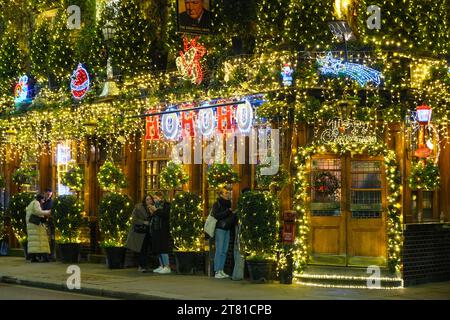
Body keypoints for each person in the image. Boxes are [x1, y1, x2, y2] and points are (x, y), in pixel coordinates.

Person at [211, 187, 236, 279]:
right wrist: (227, 212)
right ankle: (217, 271)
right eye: (226, 193)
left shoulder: (229, 203)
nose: (228, 194)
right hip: (220, 228)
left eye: (228, 192)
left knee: (224, 251)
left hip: (227, 228)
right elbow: (216, 215)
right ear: (221, 194)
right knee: (219, 250)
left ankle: (221, 270)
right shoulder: (217, 203)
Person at [126, 195, 152, 272]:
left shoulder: (152, 207)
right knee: (141, 249)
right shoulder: (138, 208)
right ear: (144, 200)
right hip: (140, 231)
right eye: (147, 199)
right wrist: (143, 222)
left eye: (150, 199)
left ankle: (145, 265)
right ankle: (141, 266)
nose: (149, 201)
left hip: (148, 231)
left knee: (146, 249)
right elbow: (133, 219)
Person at [150, 192, 171, 274]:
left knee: (163, 248)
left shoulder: (166, 205)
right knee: (157, 248)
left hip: (163, 229)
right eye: (154, 198)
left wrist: (156, 210)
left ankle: (167, 266)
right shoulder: (155, 206)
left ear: (161, 197)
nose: (155, 200)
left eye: (156, 198)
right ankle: (161, 265)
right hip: (155, 229)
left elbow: (165, 215)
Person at [26, 194, 51, 263]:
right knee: (41, 240)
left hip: (31, 224)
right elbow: (38, 211)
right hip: (36, 224)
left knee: (34, 242)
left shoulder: (31, 203)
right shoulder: (36, 203)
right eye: (43, 200)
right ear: (40, 199)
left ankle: (34, 258)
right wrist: (48, 212)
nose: (43, 201)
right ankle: (44, 257)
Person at [42, 188, 55, 261]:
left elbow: (50, 211)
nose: (48, 195)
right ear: (44, 193)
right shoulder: (42, 201)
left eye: (50, 194)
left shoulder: (51, 202)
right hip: (44, 222)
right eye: (47, 194)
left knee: (50, 239)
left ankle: (51, 255)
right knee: (45, 239)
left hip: (49, 223)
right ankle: (46, 255)